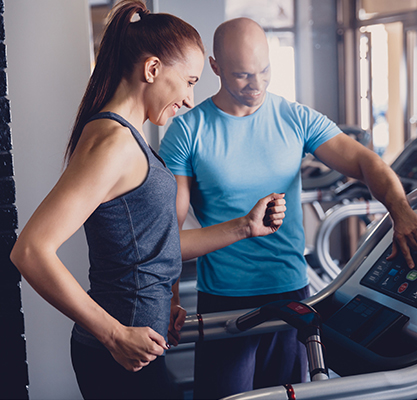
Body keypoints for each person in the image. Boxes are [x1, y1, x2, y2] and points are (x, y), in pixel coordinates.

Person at [9, 3, 286, 399]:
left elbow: (154, 246)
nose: (191, 99)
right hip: (120, 355)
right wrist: (114, 334)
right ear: (152, 69)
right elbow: (31, 250)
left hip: (138, 345)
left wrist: (245, 226)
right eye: (189, 81)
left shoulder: (126, 137)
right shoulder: (114, 143)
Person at [158, 17, 417, 399]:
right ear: (215, 67)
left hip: (291, 293)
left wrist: (400, 210)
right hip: (224, 298)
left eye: (264, 71)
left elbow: (367, 162)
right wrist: (168, 297)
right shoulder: (188, 130)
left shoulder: (295, 117)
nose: (256, 86)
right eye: (241, 76)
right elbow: (169, 227)